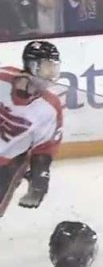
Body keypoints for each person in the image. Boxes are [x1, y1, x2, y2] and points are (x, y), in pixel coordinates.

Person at [0, 40, 63, 219]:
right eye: (47, 67)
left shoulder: (50, 107)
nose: (52, 74)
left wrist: (39, 181)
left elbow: (44, 148)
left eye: (54, 68)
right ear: (32, 66)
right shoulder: (1, 79)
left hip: (7, 166)